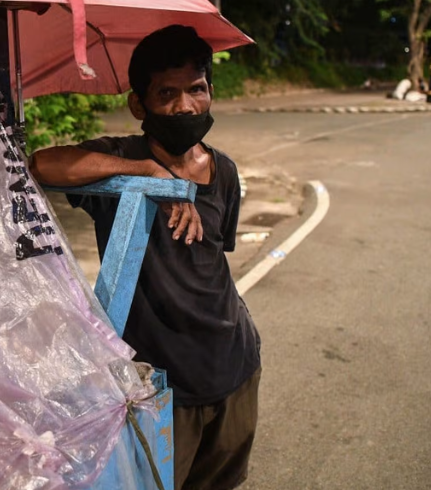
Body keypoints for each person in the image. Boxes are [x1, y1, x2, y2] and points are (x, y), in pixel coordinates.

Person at [29, 25, 262, 490]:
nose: (184, 107)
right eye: (167, 93)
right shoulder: (119, 160)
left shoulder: (223, 171)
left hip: (234, 364)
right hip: (159, 384)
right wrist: (149, 176)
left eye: (196, 90)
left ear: (210, 91)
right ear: (140, 105)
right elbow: (42, 164)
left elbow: (216, 262)